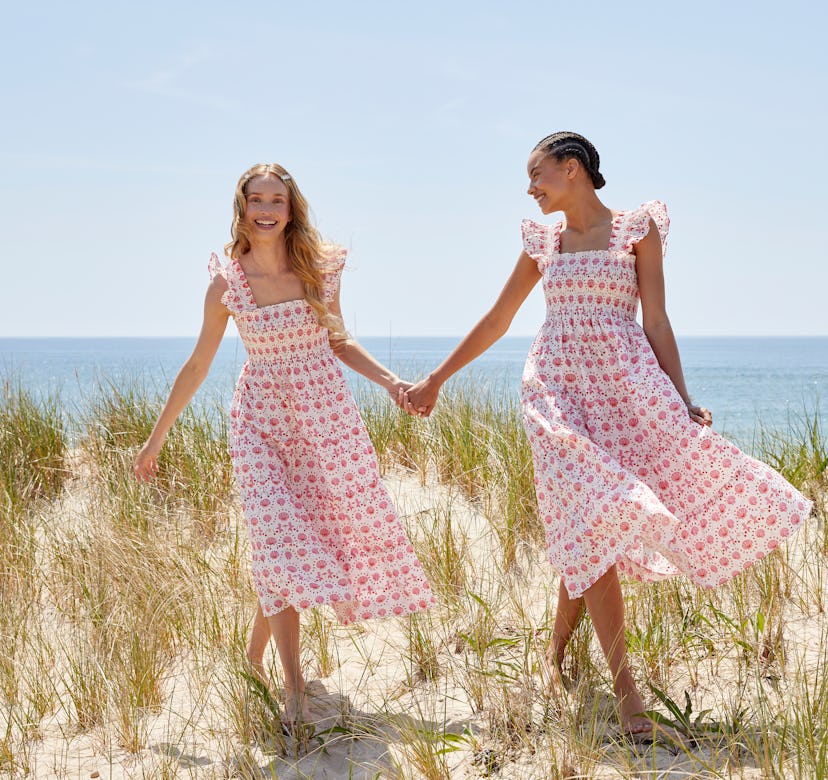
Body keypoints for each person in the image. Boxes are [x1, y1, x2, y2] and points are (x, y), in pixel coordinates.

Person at [402, 131, 812, 736]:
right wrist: (436, 378)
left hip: (624, 390)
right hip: (556, 392)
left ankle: (555, 655)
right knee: (593, 510)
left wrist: (682, 398)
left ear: (572, 170)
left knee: (586, 522)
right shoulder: (544, 241)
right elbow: (498, 319)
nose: (530, 189)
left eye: (536, 175)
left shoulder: (637, 229)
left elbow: (657, 318)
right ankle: (627, 694)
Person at [134, 163, 435, 724]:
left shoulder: (317, 269)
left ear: (291, 209)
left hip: (323, 419)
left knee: (292, 547)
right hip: (260, 423)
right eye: (257, 200)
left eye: (278, 200)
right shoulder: (228, 284)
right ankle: (294, 686)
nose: (267, 209)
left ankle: (253, 656)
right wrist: (155, 439)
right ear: (242, 207)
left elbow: (339, 342)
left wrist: (392, 382)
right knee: (276, 541)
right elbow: (198, 364)